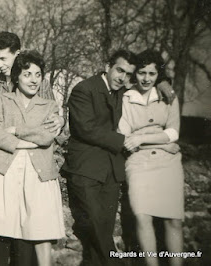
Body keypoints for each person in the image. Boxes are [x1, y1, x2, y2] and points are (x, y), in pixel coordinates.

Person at [61, 49, 175, 266]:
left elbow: (147, 82)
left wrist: (162, 81)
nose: (122, 77)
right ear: (107, 66)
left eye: (128, 74)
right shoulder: (84, 89)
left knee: (102, 231)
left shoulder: (125, 93)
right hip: (86, 169)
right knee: (97, 227)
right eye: (119, 70)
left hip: (113, 171)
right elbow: (86, 129)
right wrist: (125, 140)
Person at [0, 50, 65, 266]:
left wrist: (15, 129)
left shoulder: (49, 106)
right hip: (0, 167)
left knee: (40, 225)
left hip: (37, 169)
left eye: (38, 75)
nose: (34, 80)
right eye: (28, 74)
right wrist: (28, 139)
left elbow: (47, 137)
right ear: (17, 76)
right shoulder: (1, 100)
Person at [118, 50, 184, 266]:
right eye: (142, 73)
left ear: (159, 75)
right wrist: (163, 141)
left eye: (152, 74)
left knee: (174, 220)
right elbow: (126, 138)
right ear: (135, 73)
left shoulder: (168, 96)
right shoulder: (126, 98)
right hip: (138, 163)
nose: (146, 78)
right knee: (142, 216)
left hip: (168, 163)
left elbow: (174, 133)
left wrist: (142, 138)